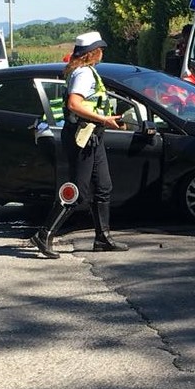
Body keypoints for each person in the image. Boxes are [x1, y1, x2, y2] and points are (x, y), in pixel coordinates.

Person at [30, 31, 128, 258]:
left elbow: (92, 104)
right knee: (79, 191)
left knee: (103, 186)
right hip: (82, 137)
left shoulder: (86, 71)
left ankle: (102, 238)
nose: (103, 52)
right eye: (100, 48)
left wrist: (109, 119)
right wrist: (104, 119)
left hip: (93, 135)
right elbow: (74, 104)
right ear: (91, 53)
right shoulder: (83, 74)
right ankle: (44, 234)